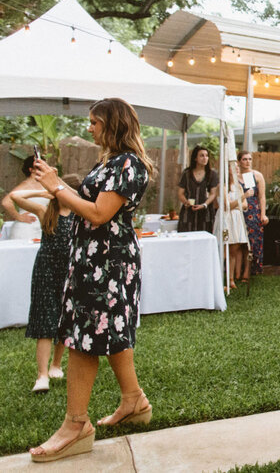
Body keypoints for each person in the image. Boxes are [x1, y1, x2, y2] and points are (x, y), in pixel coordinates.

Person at [29, 98, 152, 463]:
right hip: (93, 259)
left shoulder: (129, 164)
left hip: (108, 263)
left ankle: (76, 425)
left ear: (113, 124)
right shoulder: (111, 162)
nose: (90, 128)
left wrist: (56, 187)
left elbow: (100, 213)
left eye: (94, 122)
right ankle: (134, 401)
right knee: (108, 332)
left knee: (84, 338)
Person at [11, 174, 82, 393]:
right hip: (46, 270)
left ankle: (56, 365)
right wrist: (43, 191)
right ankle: (42, 375)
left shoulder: (79, 214)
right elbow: (15, 195)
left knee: (64, 318)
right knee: (45, 320)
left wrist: (64, 187)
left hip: (70, 271)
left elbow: (84, 195)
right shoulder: (45, 212)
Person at [217, 162, 250, 289]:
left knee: (234, 250)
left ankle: (231, 280)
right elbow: (227, 205)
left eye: (237, 167)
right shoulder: (223, 186)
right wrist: (243, 197)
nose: (236, 169)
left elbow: (246, 205)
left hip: (237, 219)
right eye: (233, 167)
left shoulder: (239, 187)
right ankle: (220, 279)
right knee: (224, 249)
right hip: (226, 219)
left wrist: (238, 201)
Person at [237, 151, 269, 275]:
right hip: (239, 211)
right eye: (244, 159)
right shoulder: (235, 176)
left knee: (253, 241)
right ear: (239, 161)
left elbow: (262, 197)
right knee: (240, 241)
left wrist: (263, 214)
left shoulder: (256, 175)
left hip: (254, 212)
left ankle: (252, 269)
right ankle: (238, 270)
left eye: (249, 159)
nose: (247, 162)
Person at [177, 145, 219, 233]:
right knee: (186, 239)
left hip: (205, 213)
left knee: (204, 239)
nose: (205, 158)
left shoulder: (212, 174)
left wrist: (204, 205)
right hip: (188, 213)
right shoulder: (187, 174)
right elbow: (180, 193)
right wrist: (186, 202)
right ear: (195, 158)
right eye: (202, 155)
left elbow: (213, 193)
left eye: (206, 155)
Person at [3, 156, 45, 240]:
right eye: (38, 167)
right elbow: (6, 202)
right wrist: (18, 216)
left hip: (41, 228)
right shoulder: (25, 185)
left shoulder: (44, 184)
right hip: (26, 229)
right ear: (31, 169)